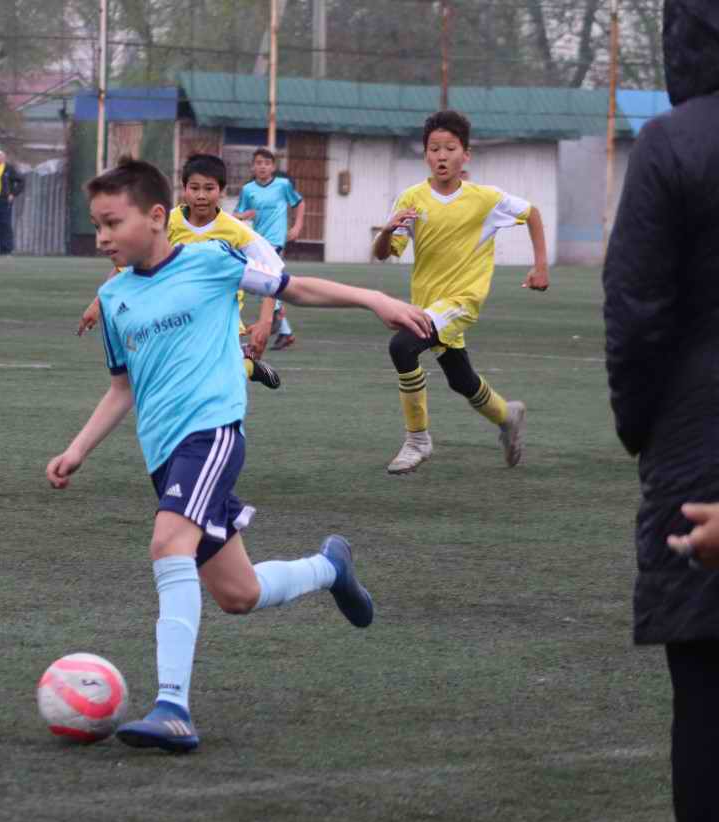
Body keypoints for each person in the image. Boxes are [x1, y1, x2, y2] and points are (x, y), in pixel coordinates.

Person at [46, 158, 432, 753]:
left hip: (212, 435)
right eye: (96, 225)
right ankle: (330, 568)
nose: (102, 238)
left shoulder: (209, 261)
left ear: (156, 217)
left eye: (112, 223)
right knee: (238, 594)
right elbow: (122, 388)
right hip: (164, 457)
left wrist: (373, 298)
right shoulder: (114, 297)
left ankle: (172, 707)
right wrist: (77, 449)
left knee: (167, 544)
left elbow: (293, 287)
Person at [603, 1, 719, 822]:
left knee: (708, 699)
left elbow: (636, 311)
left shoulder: (673, 142)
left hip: (698, 448)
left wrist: (641, 429)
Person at [371, 109, 549, 475]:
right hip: (429, 304)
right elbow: (384, 254)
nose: (441, 156)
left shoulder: (485, 199)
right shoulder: (411, 199)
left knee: (402, 347)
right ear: (425, 154)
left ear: (465, 155)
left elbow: (531, 213)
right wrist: (386, 231)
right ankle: (507, 416)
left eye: (450, 148)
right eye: (434, 149)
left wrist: (541, 266)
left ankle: (417, 440)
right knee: (460, 379)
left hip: (462, 302)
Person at [77, 153, 285, 390]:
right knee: (190, 376)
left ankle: (243, 368)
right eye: (194, 188)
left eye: (209, 188)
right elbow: (127, 266)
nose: (201, 195)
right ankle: (247, 367)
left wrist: (266, 320)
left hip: (220, 317)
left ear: (222, 191)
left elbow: (272, 271)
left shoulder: (237, 231)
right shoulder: (167, 223)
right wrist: (98, 303)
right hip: (172, 313)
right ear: (184, 189)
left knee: (204, 381)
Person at [235, 148, 301, 349]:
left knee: (263, 280)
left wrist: (297, 226)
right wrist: (245, 215)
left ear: (273, 167)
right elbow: (237, 215)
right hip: (257, 241)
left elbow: (299, 203)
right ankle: (284, 330)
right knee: (262, 282)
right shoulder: (248, 190)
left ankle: (278, 316)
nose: (262, 167)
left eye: (267, 163)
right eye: (258, 163)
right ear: (252, 167)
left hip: (275, 241)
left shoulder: (283, 185)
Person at [0, 148, 23, 255]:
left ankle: (8, 248)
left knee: (5, 223)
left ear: (3, 157)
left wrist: (13, 194)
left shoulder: (9, 169)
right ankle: (2, 248)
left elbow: (21, 181)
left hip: (4, 199)